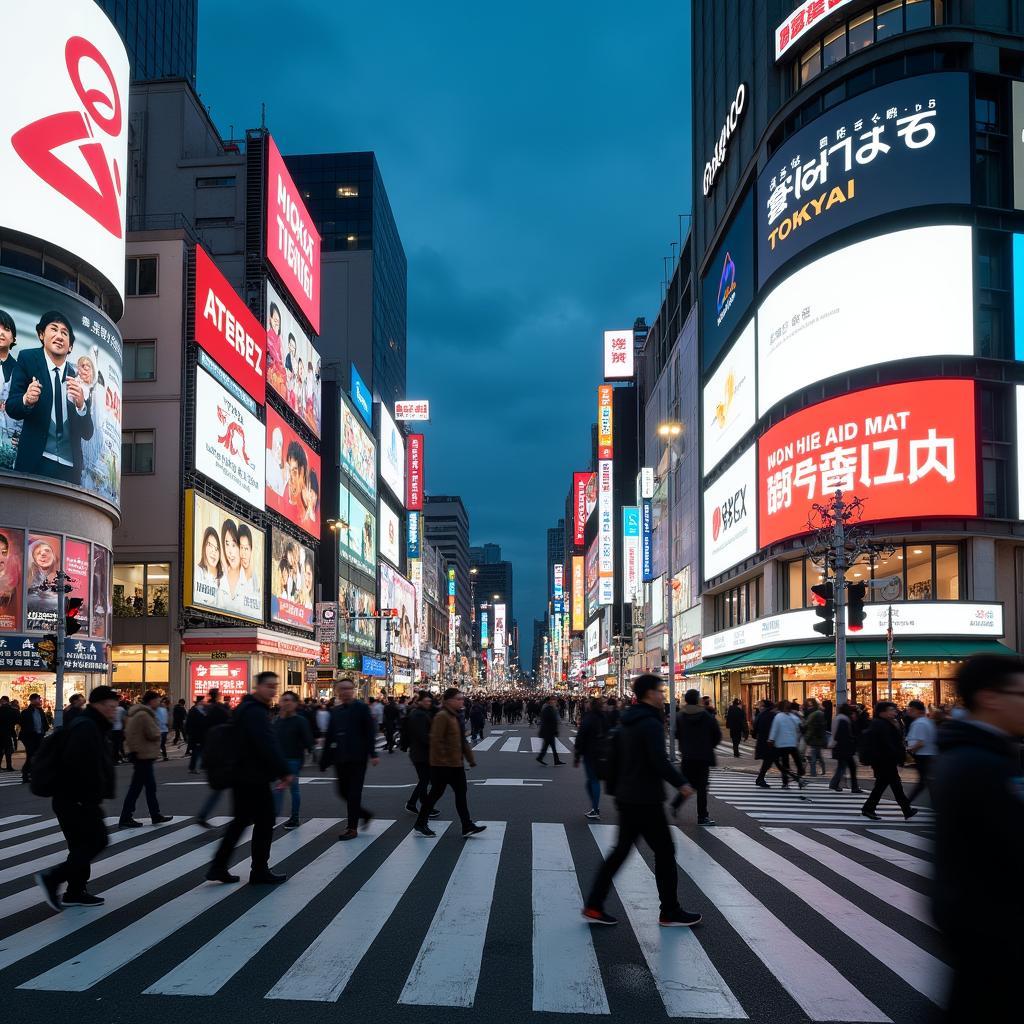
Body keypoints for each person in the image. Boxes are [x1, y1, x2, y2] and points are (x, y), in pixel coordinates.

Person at [932, 654, 1024, 1022]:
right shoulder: (981, 764)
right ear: (990, 697)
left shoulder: (973, 755)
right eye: (1020, 693)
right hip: (993, 934)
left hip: (980, 931)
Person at [582, 674, 700, 928]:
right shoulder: (650, 723)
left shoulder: (627, 720)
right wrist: (682, 784)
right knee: (665, 851)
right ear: (648, 693)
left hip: (627, 796)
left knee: (621, 851)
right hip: (645, 798)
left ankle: (594, 904)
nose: (662, 695)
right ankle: (670, 910)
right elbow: (659, 760)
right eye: (659, 691)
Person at [34, 685, 119, 910]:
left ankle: (75, 891)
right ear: (98, 705)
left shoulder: (91, 725)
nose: (114, 711)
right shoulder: (87, 727)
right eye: (111, 707)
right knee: (97, 841)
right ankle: (53, 878)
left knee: (81, 845)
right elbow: (76, 764)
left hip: (73, 798)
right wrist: (85, 797)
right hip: (76, 798)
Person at [206, 672, 292, 885]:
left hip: (242, 775)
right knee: (264, 820)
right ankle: (259, 870)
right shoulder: (254, 711)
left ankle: (218, 866)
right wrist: (284, 771)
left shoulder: (246, 708)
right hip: (252, 776)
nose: (273, 690)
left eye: (275, 686)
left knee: (241, 821)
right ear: (258, 687)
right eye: (269, 686)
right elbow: (266, 743)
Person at [4, 311, 94, 485]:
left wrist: (82, 405)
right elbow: (12, 406)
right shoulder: (28, 359)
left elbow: (88, 433)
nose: (59, 336)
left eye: (64, 333)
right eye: (54, 329)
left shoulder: (77, 378)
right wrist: (26, 400)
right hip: (35, 461)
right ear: (41, 335)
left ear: (70, 347)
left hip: (69, 469)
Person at [413, 688, 486, 839]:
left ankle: (466, 825)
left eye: (462, 698)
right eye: (458, 699)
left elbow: (461, 740)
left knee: (460, 794)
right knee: (436, 794)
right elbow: (436, 740)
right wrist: (443, 761)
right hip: (443, 765)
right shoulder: (442, 716)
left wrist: (470, 759)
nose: (462, 701)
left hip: (455, 764)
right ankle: (421, 823)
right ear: (449, 701)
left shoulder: (455, 716)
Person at [320, 678, 378, 841]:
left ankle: (352, 828)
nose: (345, 692)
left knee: (354, 793)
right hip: (340, 757)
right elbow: (330, 736)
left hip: (357, 757)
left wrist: (373, 753)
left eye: (348, 688)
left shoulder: (361, 708)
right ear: (337, 692)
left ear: (353, 690)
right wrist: (324, 760)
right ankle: (365, 814)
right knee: (342, 791)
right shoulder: (335, 711)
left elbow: (369, 732)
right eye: (342, 689)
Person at [118, 691, 173, 828]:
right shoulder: (144, 715)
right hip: (142, 755)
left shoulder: (138, 713)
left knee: (148, 787)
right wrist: (158, 733)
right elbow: (153, 733)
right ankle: (127, 817)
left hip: (141, 754)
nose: (159, 703)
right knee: (137, 788)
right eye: (157, 700)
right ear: (151, 701)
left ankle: (155, 814)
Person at [859, 701, 917, 821]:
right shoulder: (880, 724)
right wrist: (898, 756)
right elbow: (887, 744)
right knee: (893, 785)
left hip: (885, 761)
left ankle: (905, 810)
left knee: (886, 786)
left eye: (894, 709)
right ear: (882, 712)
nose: (894, 711)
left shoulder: (887, 723)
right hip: (883, 761)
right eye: (891, 710)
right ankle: (906, 810)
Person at [676, 688, 721, 825]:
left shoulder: (680, 716)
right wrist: (708, 746)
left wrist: (685, 745)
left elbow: (677, 734)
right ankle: (702, 816)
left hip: (687, 756)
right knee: (701, 787)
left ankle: (675, 804)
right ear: (697, 700)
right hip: (703, 756)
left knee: (688, 783)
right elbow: (717, 735)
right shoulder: (707, 716)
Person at [273, 690, 313, 828]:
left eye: (290, 700)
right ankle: (273, 815)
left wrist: (310, 752)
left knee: (293, 790)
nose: (286, 703)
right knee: (278, 789)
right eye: (284, 700)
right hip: (278, 760)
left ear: (296, 704)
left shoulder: (300, 721)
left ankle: (294, 817)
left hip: (293, 760)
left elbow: (308, 740)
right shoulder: (276, 720)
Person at [404, 691, 439, 818]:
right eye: (427, 701)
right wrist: (437, 741)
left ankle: (420, 805)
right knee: (425, 780)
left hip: (420, 752)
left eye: (430, 701)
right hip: (420, 753)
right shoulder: (418, 715)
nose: (429, 703)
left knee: (424, 780)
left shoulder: (422, 712)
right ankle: (417, 805)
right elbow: (423, 736)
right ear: (419, 702)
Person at [574, 697, 608, 819]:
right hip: (601, 752)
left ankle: (595, 809)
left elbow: (580, 737)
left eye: (588, 703)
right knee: (591, 781)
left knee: (593, 780)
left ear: (591, 705)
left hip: (590, 753)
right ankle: (594, 806)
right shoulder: (603, 717)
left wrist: (577, 756)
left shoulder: (589, 718)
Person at [768, 700, 807, 789]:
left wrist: (771, 739)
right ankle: (800, 777)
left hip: (781, 744)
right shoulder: (794, 717)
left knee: (785, 764)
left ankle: (786, 783)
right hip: (793, 743)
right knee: (797, 762)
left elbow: (774, 729)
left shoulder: (778, 717)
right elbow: (800, 728)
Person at [904, 700, 937, 804]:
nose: (908, 712)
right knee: (927, 781)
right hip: (929, 755)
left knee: (924, 782)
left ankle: (907, 803)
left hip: (923, 755)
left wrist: (909, 750)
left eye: (910, 710)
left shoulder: (919, 723)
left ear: (916, 710)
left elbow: (920, 743)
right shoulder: (927, 721)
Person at [828, 703, 863, 793]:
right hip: (844, 748)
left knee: (845, 766)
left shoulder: (838, 718)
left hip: (840, 747)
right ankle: (836, 784)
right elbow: (843, 735)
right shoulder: (844, 720)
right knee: (846, 767)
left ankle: (837, 784)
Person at [18, 691, 47, 783]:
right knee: (31, 755)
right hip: (29, 737)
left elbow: (44, 723)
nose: (40, 701)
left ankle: (31, 773)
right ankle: (25, 774)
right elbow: (22, 724)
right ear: (33, 700)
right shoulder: (26, 712)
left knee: (37, 756)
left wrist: (43, 731)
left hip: (39, 736)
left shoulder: (40, 711)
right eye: (38, 699)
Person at [802, 698, 827, 776]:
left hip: (813, 738)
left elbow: (807, 726)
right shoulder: (821, 714)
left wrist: (806, 738)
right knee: (818, 755)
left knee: (812, 756)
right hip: (820, 737)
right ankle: (823, 770)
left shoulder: (813, 715)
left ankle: (813, 772)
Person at [536, 695, 564, 765]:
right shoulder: (548, 709)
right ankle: (543, 758)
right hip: (548, 731)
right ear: (549, 701)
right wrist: (555, 730)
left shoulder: (550, 708)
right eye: (553, 700)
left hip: (548, 731)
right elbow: (550, 721)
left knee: (549, 746)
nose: (554, 702)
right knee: (548, 746)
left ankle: (555, 760)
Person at [186, 696, 207, 771]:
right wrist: (188, 733)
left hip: (201, 734)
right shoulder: (193, 710)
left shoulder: (203, 710)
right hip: (196, 734)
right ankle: (193, 767)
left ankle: (201, 765)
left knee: (201, 750)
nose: (204, 702)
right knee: (196, 751)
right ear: (199, 702)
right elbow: (189, 723)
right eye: (202, 701)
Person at [0, 695, 17, 770]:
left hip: (1, 733)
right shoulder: (13, 710)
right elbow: (17, 721)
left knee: (1, 750)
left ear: (3, 701)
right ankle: (9, 766)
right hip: (9, 732)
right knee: (8, 751)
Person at [156, 696, 170, 761]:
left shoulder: (162, 710)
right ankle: (164, 755)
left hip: (161, 729)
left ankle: (163, 755)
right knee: (162, 744)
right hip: (163, 729)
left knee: (161, 744)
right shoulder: (164, 710)